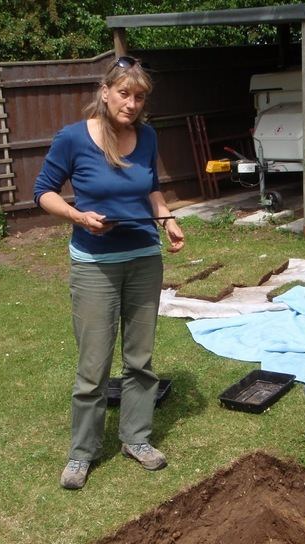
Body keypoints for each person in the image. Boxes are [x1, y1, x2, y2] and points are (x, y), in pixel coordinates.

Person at [33, 55, 185, 490]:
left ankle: (136, 438)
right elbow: (42, 192)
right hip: (94, 265)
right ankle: (82, 452)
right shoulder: (73, 139)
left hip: (142, 258)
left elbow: (152, 188)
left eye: (139, 97)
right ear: (105, 91)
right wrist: (78, 217)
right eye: (124, 93)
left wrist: (168, 218)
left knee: (140, 358)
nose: (132, 104)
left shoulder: (148, 136)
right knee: (93, 364)